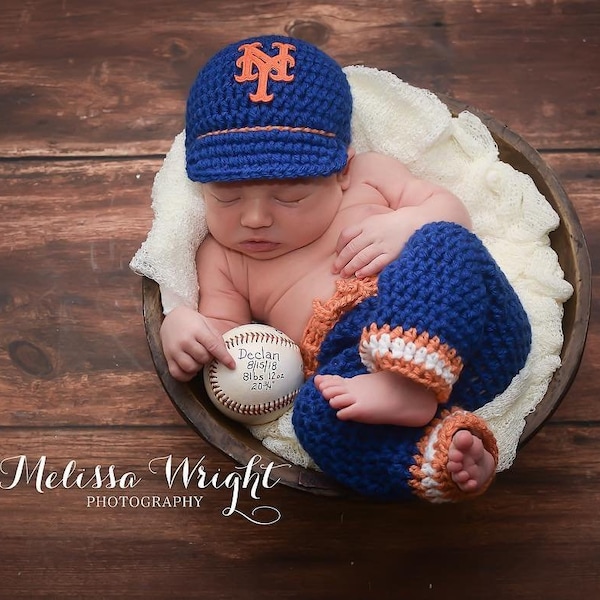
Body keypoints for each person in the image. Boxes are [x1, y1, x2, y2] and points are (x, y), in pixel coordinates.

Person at [159, 35, 532, 501]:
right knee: (315, 415)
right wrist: (183, 325)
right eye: (226, 196)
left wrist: (408, 223)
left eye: (289, 195)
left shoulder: (370, 177)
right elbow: (227, 343)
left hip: (472, 332)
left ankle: (408, 382)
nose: (254, 217)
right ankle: (441, 458)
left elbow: (452, 211)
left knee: (442, 240)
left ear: (342, 169)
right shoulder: (223, 258)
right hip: (356, 365)